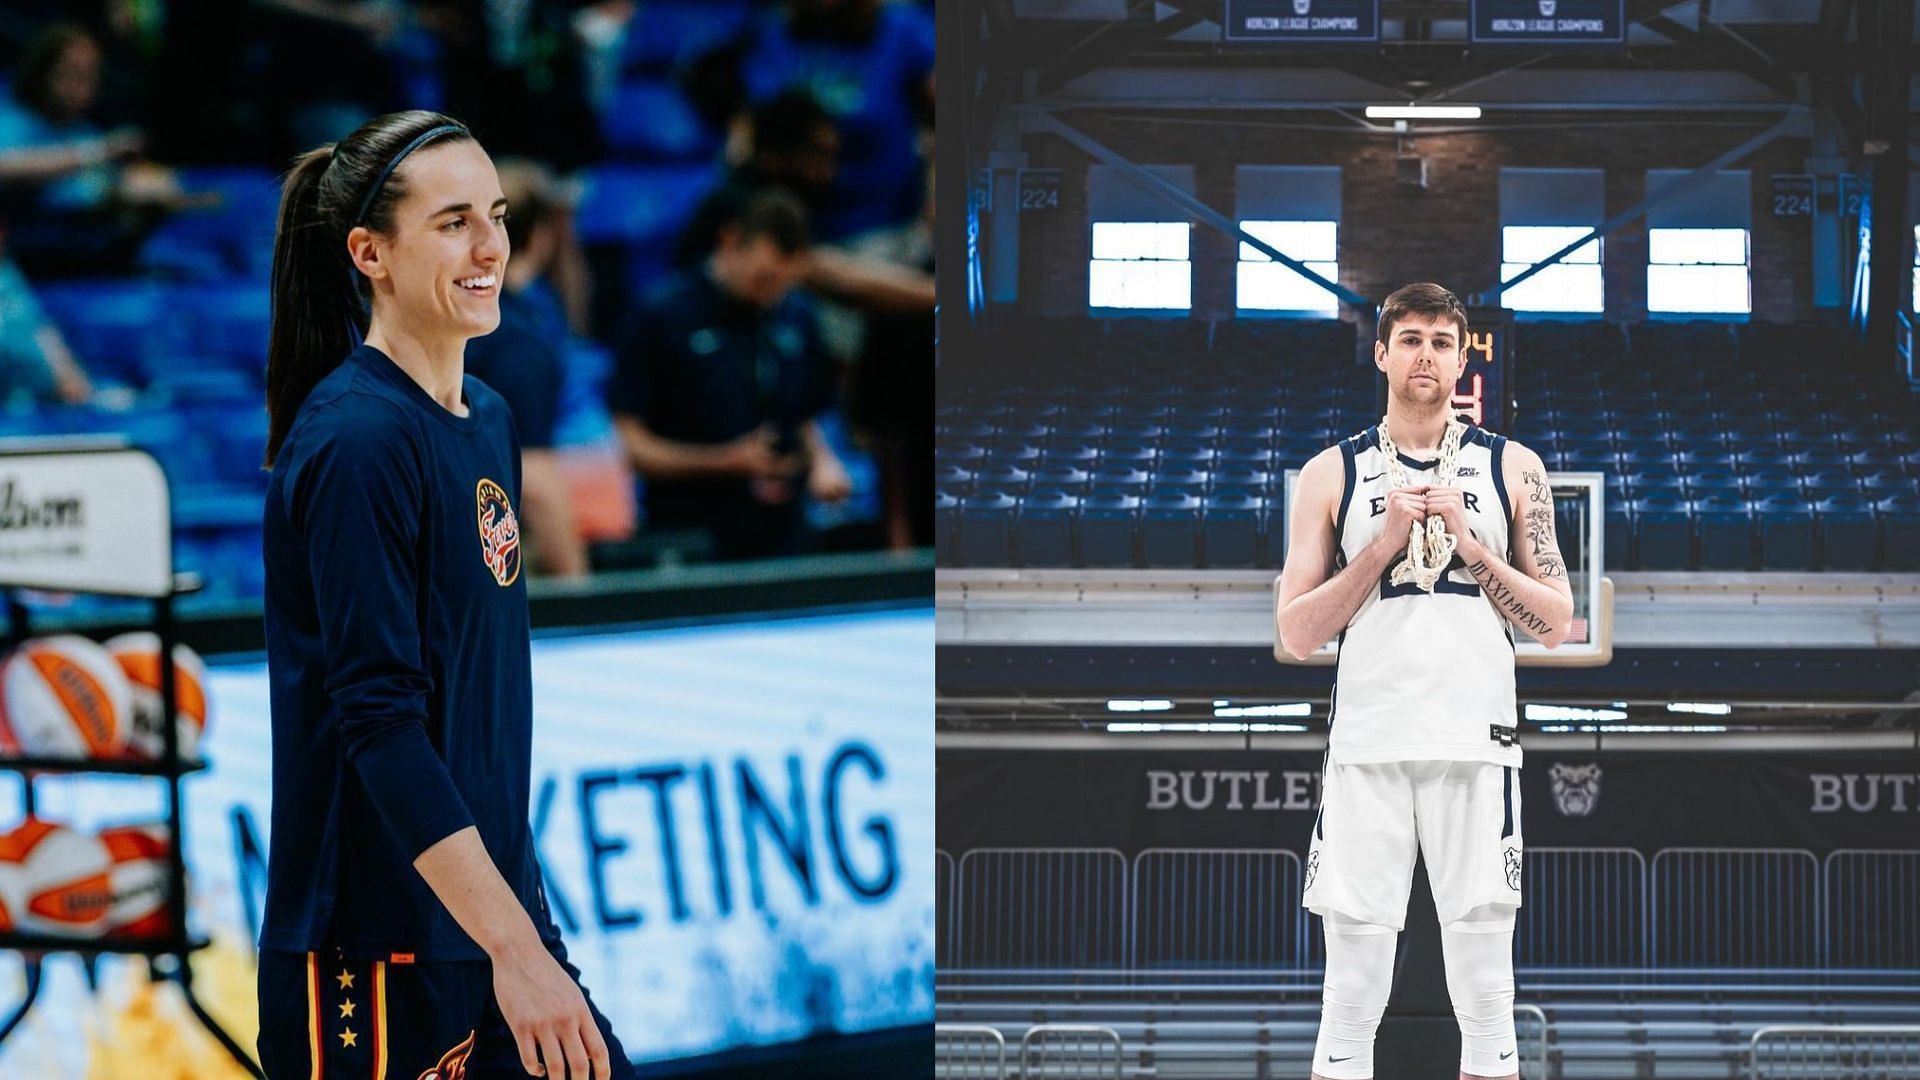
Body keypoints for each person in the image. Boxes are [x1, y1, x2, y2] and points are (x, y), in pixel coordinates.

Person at [258, 110, 628, 1080]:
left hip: (486, 923)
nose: (490, 247)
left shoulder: (488, 417)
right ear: (368, 253)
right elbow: (380, 721)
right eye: (454, 220)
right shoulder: (356, 442)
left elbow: (481, 721)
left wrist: (524, 929)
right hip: (372, 952)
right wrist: (514, 948)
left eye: (497, 216)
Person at [1272, 283, 1573, 1080]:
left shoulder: (1515, 466)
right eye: (1410, 339)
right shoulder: (1330, 473)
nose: (1426, 356)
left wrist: (1475, 548)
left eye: (1443, 341)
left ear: (1463, 355)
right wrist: (1381, 547)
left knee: (1485, 991)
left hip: (1477, 739)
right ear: (1381, 354)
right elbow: (1296, 634)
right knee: (1352, 990)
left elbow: (1554, 620)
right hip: (1369, 742)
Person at [608, 185, 851, 561]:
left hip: (785, 534)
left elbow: (803, 415)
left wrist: (823, 461)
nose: (773, 295)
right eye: (765, 279)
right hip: (690, 534)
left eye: (786, 284)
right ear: (730, 240)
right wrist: (727, 461)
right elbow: (633, 446)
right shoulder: (661, 317)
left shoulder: (796, 314)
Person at [464, 158, 589, 578]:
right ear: (541, 237)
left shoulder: (455, 319)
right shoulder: (517, 340)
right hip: (482, 551)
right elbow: (536, 483)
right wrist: (580, 598)